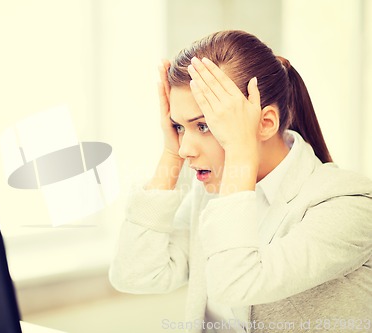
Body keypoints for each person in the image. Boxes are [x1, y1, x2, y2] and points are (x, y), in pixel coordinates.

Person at [109, 30, 372, 333]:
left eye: (205, 125)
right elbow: (133, 274)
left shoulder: (349, 205)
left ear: (266, 123)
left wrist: (240, 153)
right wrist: (170, 155)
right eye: (180, 126)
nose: (185, 148)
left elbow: (235, 283)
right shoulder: (210, 195)